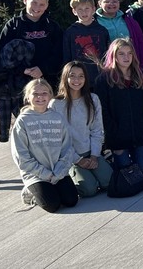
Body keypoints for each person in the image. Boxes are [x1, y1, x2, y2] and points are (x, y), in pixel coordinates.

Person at [0, 0, 63, 141]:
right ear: (25, 0)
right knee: (27, 127)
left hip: (47, 82)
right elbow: (3, 55)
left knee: (47, 125)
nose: (37, 8)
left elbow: (59, 54)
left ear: (47, 6)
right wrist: (23, 70)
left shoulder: (52, 27)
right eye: (34, 3)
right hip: (20, 85)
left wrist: (42, 69)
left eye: (42, 4)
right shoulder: (12, 26)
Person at [10, 78, 78, 212]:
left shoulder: (58, 118)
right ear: (28, 97)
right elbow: (21, 157)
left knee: (71, 200)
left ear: (50, 95)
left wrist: (59, 171)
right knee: (52, 205)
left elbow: (67, 148)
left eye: (44, 93)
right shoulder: (22, 121)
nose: (40, 97)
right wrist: (46, 174)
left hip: (58, 171)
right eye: (35, 94)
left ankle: (50, 189)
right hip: (35, 174)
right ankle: (30, 192)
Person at [50, 61, 112, 197]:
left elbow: (97, 130)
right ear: (65, 78)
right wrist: (78, 160)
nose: (76, 80)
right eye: (72, 76)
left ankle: (95, 173)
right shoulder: (56, 104)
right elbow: (58, 140)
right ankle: (73, 176)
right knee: (89, 190)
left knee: (109, 182)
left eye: (81, 76)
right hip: (70, 156)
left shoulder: (93, 99)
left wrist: (95, 156)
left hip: (91, 152)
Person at [93, 38, 143, 172]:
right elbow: (102, 110)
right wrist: (112, 134)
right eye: (121, 54)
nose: (126, 57)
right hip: (117, 137)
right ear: (114, 56)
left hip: (138, 135)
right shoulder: (104, 79)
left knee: (141, 170)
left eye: (129, 53)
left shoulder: (141, 76)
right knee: (126, 172)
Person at [95, 0, 143, 74]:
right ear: (99, 3)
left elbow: (140, 42)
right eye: (107, 2)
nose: (111, 4)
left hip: (130, 66)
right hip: (106, 67)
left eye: (114, 1)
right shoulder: (94, 22)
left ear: (119, 2)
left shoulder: (129, 20)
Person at [62, 0, 111, 84]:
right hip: (78, 80)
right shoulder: (70, 32)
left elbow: (108, 55)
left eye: (87, 8)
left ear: (93, 9)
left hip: (100, 77)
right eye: (80, 9)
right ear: (74, 11)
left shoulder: (102, 31)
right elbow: (66, 58)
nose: (84, 12)